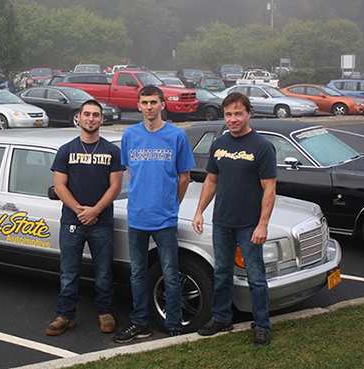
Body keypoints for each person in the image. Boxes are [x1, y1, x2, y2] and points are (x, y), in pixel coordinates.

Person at [191, 92, 277, 346]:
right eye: (228, 114)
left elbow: (269, 188)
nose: (233, 119)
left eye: (238, 113)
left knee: (256, 277)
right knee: (222, 272)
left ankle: (261, 325)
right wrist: (199, 212)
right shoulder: (219, 144)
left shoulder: (261, 147)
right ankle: (221, 317)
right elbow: (211, 181)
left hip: (250, 225)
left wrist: (262, 224)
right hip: (222, 222)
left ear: (248, 114)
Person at [113, 85, 195, 343]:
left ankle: (173, 324)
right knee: (137, 273)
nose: (149, 107)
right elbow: (130, 172)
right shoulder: (130, 135)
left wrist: (172, 205)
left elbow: (185, 178)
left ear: (163, 104)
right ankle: (140, 322)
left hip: (165, 219)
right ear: (138, 106)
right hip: (137, 216)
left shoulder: (176, 136)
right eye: (145, 102)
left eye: (154, 102)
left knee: (170, 272)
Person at [46, 100, 125, 336]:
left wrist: (95, 211)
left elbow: (115, 187)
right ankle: (66, 315)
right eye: (87, 114)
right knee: (69, 272)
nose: (91, 119)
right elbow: (59, 187)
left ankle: (105, 312)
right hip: (72, 222)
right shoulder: (66, 150)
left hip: (102, 223)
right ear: (79, 118)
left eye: (96, 115)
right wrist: (81, 211)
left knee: (103, 271)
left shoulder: (112, 151)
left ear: (102, 119)